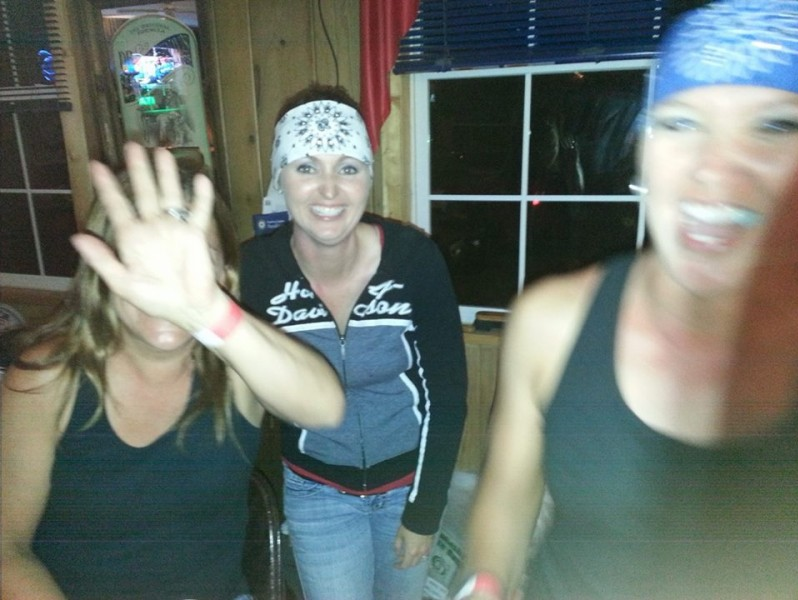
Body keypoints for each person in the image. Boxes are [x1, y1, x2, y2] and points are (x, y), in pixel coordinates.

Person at [456, 2, 798, 599]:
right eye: (682, 123)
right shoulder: (553, 324)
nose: (717, 170)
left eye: (773, 126)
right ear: (642, 149)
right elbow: (507, 495)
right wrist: (482, 585)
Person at [0, 143, 344, 600]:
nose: (168, 284)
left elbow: (326, 408)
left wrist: (206, 310)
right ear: (103, 272)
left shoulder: (238, 368)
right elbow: (7, 549)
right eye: (143, 262)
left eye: (192, 261)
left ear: (224, 275)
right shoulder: (48, 378)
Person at [239, 84, 468, 600]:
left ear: (368, 176)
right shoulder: (256, 269)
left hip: (407, 487)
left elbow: (447, 395)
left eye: (347, 167)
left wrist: (426, 511)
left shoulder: (413, 258)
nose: (329, 190)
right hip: (316, 492)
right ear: (280, 177)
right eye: (306, 167)